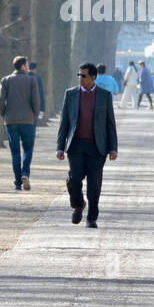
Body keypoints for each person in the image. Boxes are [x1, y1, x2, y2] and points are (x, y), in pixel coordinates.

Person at [56, 62, 118, 227]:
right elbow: (65, 123)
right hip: (75, 145)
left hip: (97, 147)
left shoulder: (105, 95)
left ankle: (92, 218)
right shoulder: (71, 94)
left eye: (83, 76)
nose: (80, 79)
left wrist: (113, 148)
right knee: (75, 179)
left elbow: (110, 123)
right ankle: (78, 204)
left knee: (94, 185)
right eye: (79, 75)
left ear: (93, 77)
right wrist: (60, 147)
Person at [0, 55, 41, 191]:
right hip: (28, 120)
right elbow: (36, 101)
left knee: (15, 153)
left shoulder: (5, 80)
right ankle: (25, 174)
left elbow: (0, 101)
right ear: (23, 66)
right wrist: (34, 114)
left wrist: (4, 113)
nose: (28, 67)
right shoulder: (31, 81)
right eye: (27, 65)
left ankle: (17, 182)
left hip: (10, 121)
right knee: (28, 150)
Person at [29, 61, 46, 126]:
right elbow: (41, 94)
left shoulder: (23, 77)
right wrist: (42, 109)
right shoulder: (38, 79)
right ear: (35, 69)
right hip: (35, 106)